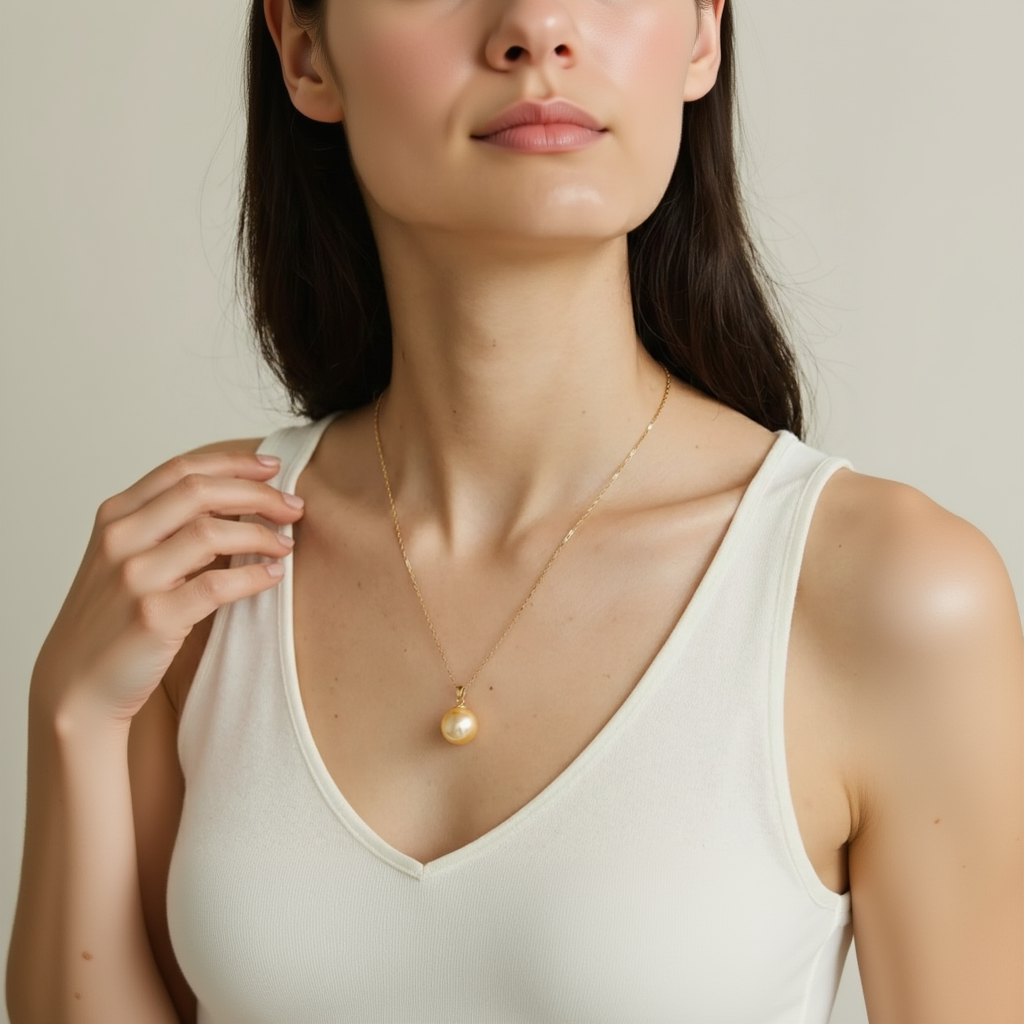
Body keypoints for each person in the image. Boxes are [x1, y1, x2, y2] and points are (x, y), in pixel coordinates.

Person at [6, 0, 1022, 1020]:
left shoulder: (886, 593)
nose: (536, 27)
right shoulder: (199, 563)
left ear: (702, 34)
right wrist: (75, 719)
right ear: (306, 51)